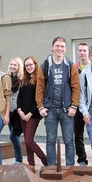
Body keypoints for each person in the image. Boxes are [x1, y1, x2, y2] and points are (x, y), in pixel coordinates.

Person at [35, 36, 80, 166]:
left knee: (69, 140)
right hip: (50, 110)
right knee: (50, 140)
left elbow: (76, 87)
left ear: (65, 49)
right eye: (57, 46)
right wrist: (41, 107)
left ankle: (70, 167)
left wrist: (74, 106)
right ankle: (51, 168)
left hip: (67, 110)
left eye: (62, 46)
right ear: (52, 48)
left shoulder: (70, 65)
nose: (59, 48)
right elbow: (40, 88)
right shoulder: (45, 66)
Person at [17, 56, 48, 167]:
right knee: (27, 141)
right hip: (22, 114)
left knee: (29, 140)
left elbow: (39, 99)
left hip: (33, 115)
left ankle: (45, 160)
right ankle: (31, 165)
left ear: (35, 64)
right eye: (26, 65)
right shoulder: (24, 80)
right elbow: (20, 97)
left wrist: (30, 114)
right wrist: (19, 110)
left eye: (30, 64)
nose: (29, 67)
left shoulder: (39, 79)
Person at [74, 42, 90, 165]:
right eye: (80, 50)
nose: (82, 53)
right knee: (78, 134)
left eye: (84, 50)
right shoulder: (74, 68)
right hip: (78, 105)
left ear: (88, 52)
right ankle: (82, 159)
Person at [7, 57, 25, 164]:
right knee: (14, 136)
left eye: (15, 65)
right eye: (11, 64)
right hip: (9, 111)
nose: (13, 67)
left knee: (13, 136)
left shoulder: (21, 80)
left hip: (17, 111)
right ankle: (17, 159)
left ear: (19, 67)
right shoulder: (7, 79)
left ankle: (19, 159)